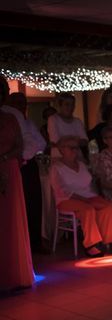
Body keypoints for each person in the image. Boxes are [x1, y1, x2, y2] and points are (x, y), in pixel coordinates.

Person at [50, 137, 112, 258]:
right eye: (71, 148)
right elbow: (60, 190)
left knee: (107, 206)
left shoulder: (81, 165)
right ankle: (90, 244)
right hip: (67, 199)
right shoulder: (56, 167)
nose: (74, 151)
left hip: (87, 196)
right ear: (61, 150)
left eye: (76, 148)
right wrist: (82, 199)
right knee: (88, 209)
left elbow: (89, 184)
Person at [0, 76, 34, 291]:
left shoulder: (10, 117)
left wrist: (3, 159)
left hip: (9, 169)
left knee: (11, 220)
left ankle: (14, 273)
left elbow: (20, 145)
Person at [5, 92, 46, 252]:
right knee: (16, 205)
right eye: (17, 103)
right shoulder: (10, 120)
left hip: (28, 165)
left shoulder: (28, 122)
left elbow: (41, 143)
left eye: (23, 103)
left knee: (34, 203)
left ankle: (34, 242)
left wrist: (26, 154)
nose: (21, 106)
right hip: (14, 163)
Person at [47, 92, 88, 159]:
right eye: (67, 104)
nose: (70, 107)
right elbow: (56, 141)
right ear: (60, 105)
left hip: (77, 158)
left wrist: (66, 140)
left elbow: (84, 141)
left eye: (72, 105)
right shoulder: (53, 119)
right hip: (59, 158)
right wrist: (75, 140)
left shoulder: (78, 121)